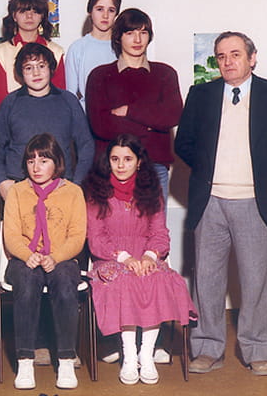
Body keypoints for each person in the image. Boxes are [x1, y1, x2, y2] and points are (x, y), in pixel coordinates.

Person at [175, 31, 267, 377]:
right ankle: (207, 348)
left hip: (255, 203)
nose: (227, 61)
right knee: (206, 281)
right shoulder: (201, 95)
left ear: (252, 57)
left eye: (235, 54)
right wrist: (210, 169)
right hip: (210, 203)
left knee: (254, 283)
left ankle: (257, 350)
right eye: (221, 56)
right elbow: (183, 144)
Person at [83, 134, 196, 385]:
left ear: (139, 162)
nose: (121, 165)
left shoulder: (152, 191)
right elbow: (96, 238)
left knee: (156, 279)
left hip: (146, 257)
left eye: (127, 159)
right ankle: (129, 355)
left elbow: (159, 233)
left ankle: (146, 354)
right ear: (107, 162)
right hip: (110, 259)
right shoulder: (96, 192)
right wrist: (124, 258)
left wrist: (149, 255)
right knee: (126, 282)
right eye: (115, 159)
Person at [3, 133, 85, 390]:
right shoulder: (17, 192)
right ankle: (25, 360)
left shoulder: (73, 192)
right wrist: (28, 255)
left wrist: (55, 257)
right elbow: (11, 235)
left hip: (61, 257)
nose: (36, 167)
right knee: (27, 283)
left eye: (43, 160)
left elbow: (77, 236)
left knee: (65, 282)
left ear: (57, 162)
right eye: (31, 161)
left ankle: (66, 359)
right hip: (24, 258)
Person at [86, 8, 182, 204]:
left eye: (143, 32)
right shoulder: (100, 76)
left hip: (154, 166)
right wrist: (150, 126)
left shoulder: (165, 74)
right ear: (118, 37)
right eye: (130, 33)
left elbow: (173, 116)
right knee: (112, 224)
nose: (137, 39)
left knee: (154, 224)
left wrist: (129, 111)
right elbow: (100, 125)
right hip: (112, 167)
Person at [0, 43, 93, 201]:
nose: (36, 73)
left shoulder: (68, 101)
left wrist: (77, 182)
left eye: (41, 66)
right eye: (28, 68)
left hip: (61, 187)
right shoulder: (10, 103)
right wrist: (2, 181)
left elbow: (86, 144)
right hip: (19, 187)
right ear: (20, 72)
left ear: (51, 68)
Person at [0, 0, 65, 109]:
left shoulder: (56, 51)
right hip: (13, 116)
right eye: (23, 11)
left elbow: (59, 96)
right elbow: (0, 101)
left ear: (42, 16)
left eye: (35, 11)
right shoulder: (1, 52)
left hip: (49, 115)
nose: (29, 16)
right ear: (14, 16)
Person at [65, 0, 121, 110]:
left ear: (116, 14)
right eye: (100, 9)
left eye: (111, 10)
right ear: (90, 11)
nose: (105, 15)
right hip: (86, 116)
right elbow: (70, 96)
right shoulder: (77, 48)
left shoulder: (123, 47)